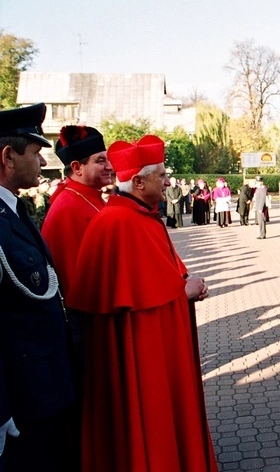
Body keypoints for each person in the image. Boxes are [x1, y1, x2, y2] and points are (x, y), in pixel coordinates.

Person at [66, 134, 217, 472]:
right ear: (137, 181)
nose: (167, 182)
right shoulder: (121, 222)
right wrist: (184, 292)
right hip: (144, 360)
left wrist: (179, 286)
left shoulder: (135, 215)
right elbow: (143, 304)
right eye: (160, 175)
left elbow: (151, 285)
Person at [0, 103, 75, 471]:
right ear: (8, 157)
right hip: (21, 401)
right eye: (36, 152)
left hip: (44, 389)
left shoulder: (14, 211)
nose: (43, 163)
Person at [41, 124, 113, 469]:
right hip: (87, 333)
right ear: (76, 168)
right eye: (101, 160)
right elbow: (80, 288)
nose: (110, 167)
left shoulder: (90, 200)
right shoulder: (70, 208)